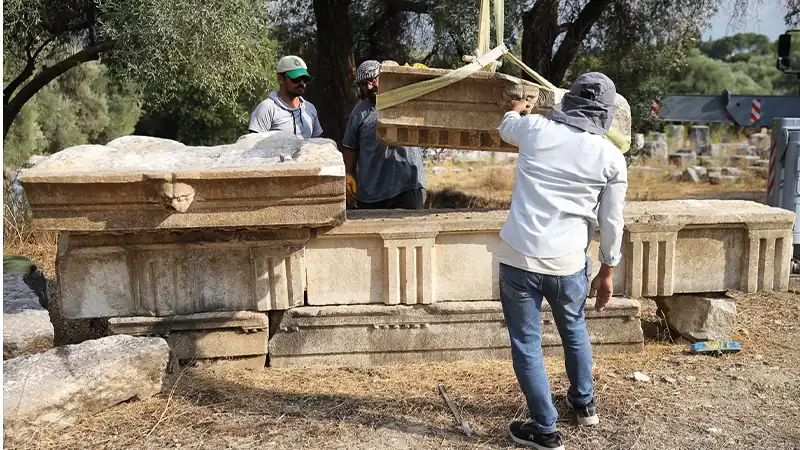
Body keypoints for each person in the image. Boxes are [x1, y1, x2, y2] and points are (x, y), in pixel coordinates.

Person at [495, 72, 628, 450]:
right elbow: (612, 223)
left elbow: (508, 126)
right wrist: (607, 271)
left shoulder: (535, 129)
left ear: (569, 101)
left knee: (527, 344)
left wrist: (516, 108)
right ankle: (584, 405)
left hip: (519, 258)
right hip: (569, 262)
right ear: (605, 114)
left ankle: (545, 430)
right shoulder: (611, 157)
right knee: (574, 329)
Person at [341, 60, 426, 209]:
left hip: (408, 189)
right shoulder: (359, 112)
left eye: (373, 80)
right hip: (372, 195)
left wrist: (422, 76)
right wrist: (348, 173)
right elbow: (350, 147)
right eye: (364, 84)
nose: (369, 86)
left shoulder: (409, 100)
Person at [249, 55, 323, 138]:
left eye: (305, 79)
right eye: (296, 79)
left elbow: (317, 143)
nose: (302, 83)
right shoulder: (267, 108)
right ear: (281, 79)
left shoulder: (310, 109)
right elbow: (254, 144)